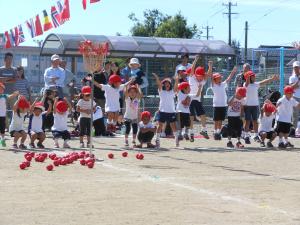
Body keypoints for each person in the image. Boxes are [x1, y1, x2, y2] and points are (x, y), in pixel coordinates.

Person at [243, 71, 279, 144]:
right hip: (248, 106)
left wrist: (272, 79)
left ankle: (256, 135)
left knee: (255, 121)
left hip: (255, 105)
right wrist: (248, 76)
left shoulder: (255, 84)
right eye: (252, 76)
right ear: (249, 77)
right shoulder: (245, 84)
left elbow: (263, 81)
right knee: (247, 121)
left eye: (253, 76)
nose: (254, 77)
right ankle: (246, 136)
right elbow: (246, 83)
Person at [152, 72, 179, 148]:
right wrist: (157, 78)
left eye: (168, 83)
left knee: (173, 126)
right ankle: (157, 140)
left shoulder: (172, 92)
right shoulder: (161, 91)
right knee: (159, 126)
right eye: (165, 83)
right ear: (163, 85)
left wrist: (176, 80)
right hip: (162, 111)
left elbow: (176, 87)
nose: (167, 84)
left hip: (171, 112)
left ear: (170, 85)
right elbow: (159, 84)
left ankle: (176, 139)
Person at [189, 57, 212, 140]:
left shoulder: (202, 81)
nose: (201, 78)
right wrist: (195, 60)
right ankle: (191, 132)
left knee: (203, 115)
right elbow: (192, 70)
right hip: (190, 100)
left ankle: (204, 130)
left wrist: (210, 66)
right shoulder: (192, 78)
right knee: (191, 116)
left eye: (202, 76)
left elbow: (208, 75)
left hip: (197, 100)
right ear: (196, 75)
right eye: (199, 76)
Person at [211, 67, 237, 140]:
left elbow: (229, 78)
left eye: (220, 78)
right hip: (216, 105)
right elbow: (211, 78)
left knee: (220, 120)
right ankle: (215, 132)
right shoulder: (213, 85)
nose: (220, 79)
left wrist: (233, 71)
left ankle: (218, 133)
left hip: (223, 105)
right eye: (218, 78)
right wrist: (211, 69)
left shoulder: (223, 84)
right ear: (215, 79)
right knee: (216, 120)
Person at [0, 83, 19, 147]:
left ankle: (2, 139)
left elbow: (10, 96)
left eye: (2, 89)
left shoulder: (4, 96)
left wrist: (15, 94)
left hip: (2, 116)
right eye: (0, 88)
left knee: (2, 128)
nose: (1, 90)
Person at [288, 61, 300, 128]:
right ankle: (294, 129)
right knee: (295, 114)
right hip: (295, 97)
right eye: (295, 68)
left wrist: (296, 86)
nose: (296, 69)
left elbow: (294, 86)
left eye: (297, 67)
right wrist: (298, 81)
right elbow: (291, 87)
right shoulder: (291, 77)